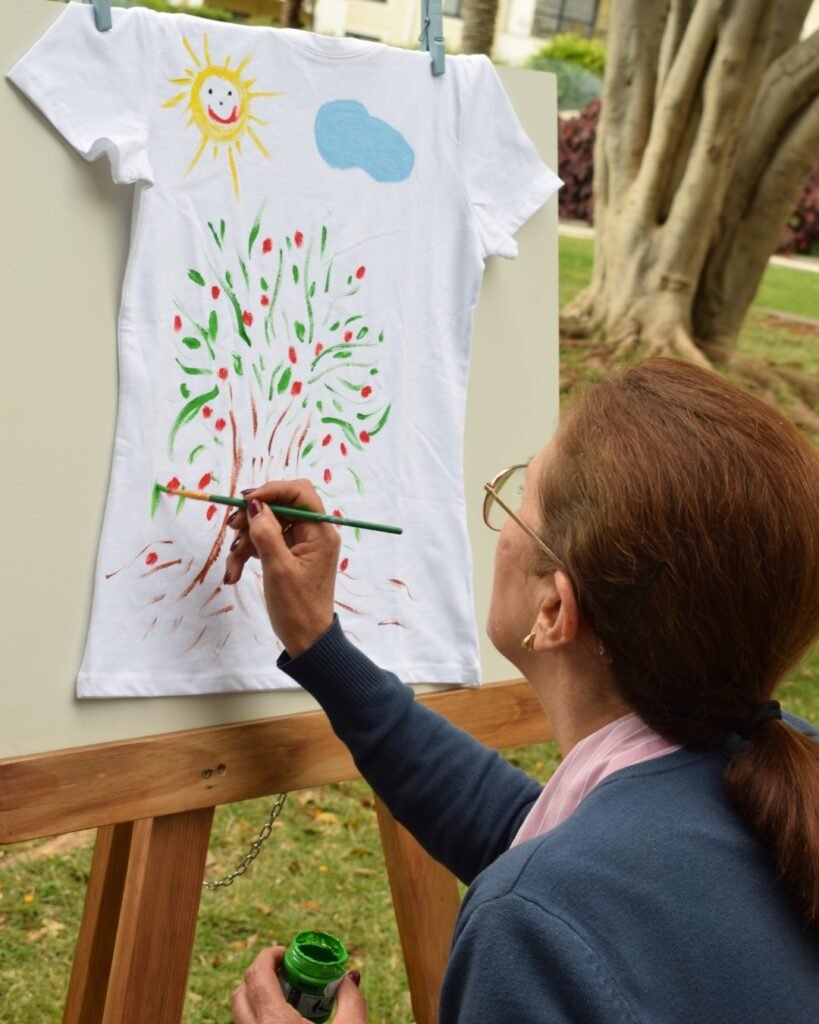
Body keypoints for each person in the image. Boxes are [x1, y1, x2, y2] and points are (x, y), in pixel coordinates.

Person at [227, 358, 819, 1024]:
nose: (500, 524)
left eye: (514, 498)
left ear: (553, 609)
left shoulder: (535, 926)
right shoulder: (781, 771)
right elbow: (520, 830)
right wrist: (320, 645)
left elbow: (556, 892)